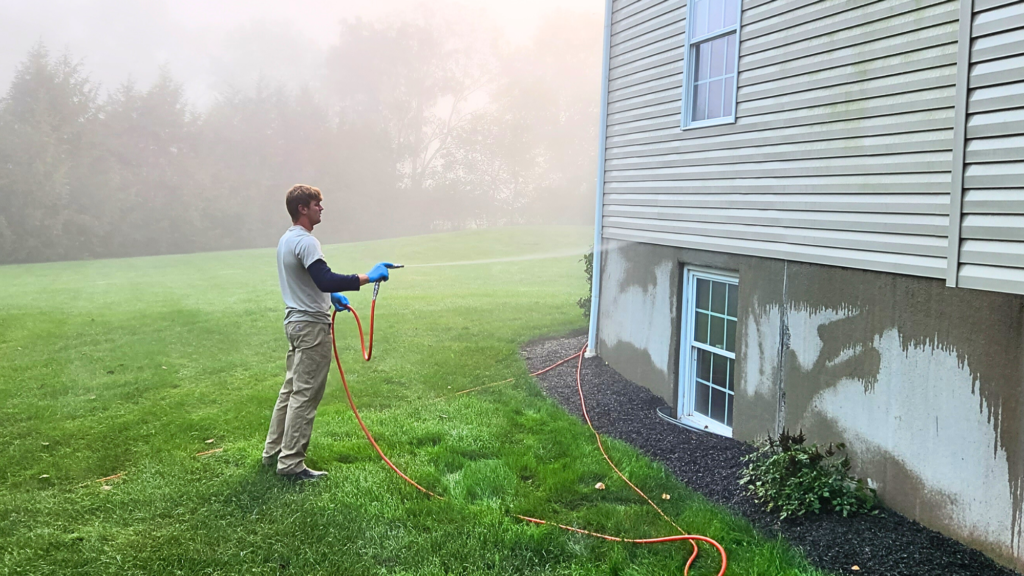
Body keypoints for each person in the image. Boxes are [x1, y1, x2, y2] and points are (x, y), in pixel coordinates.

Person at [262, 184, 392, 481]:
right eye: (316, 204)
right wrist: (368, 277)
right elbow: (324, 278)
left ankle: (273, 453)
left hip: (295, 323)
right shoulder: (307, 242)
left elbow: (308, 279)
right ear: (302, 209)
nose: (321, 208)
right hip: (310, 327)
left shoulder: (287, 239)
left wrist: (331, 298)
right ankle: (291, 463)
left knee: (291, 390)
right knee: (305, 395)